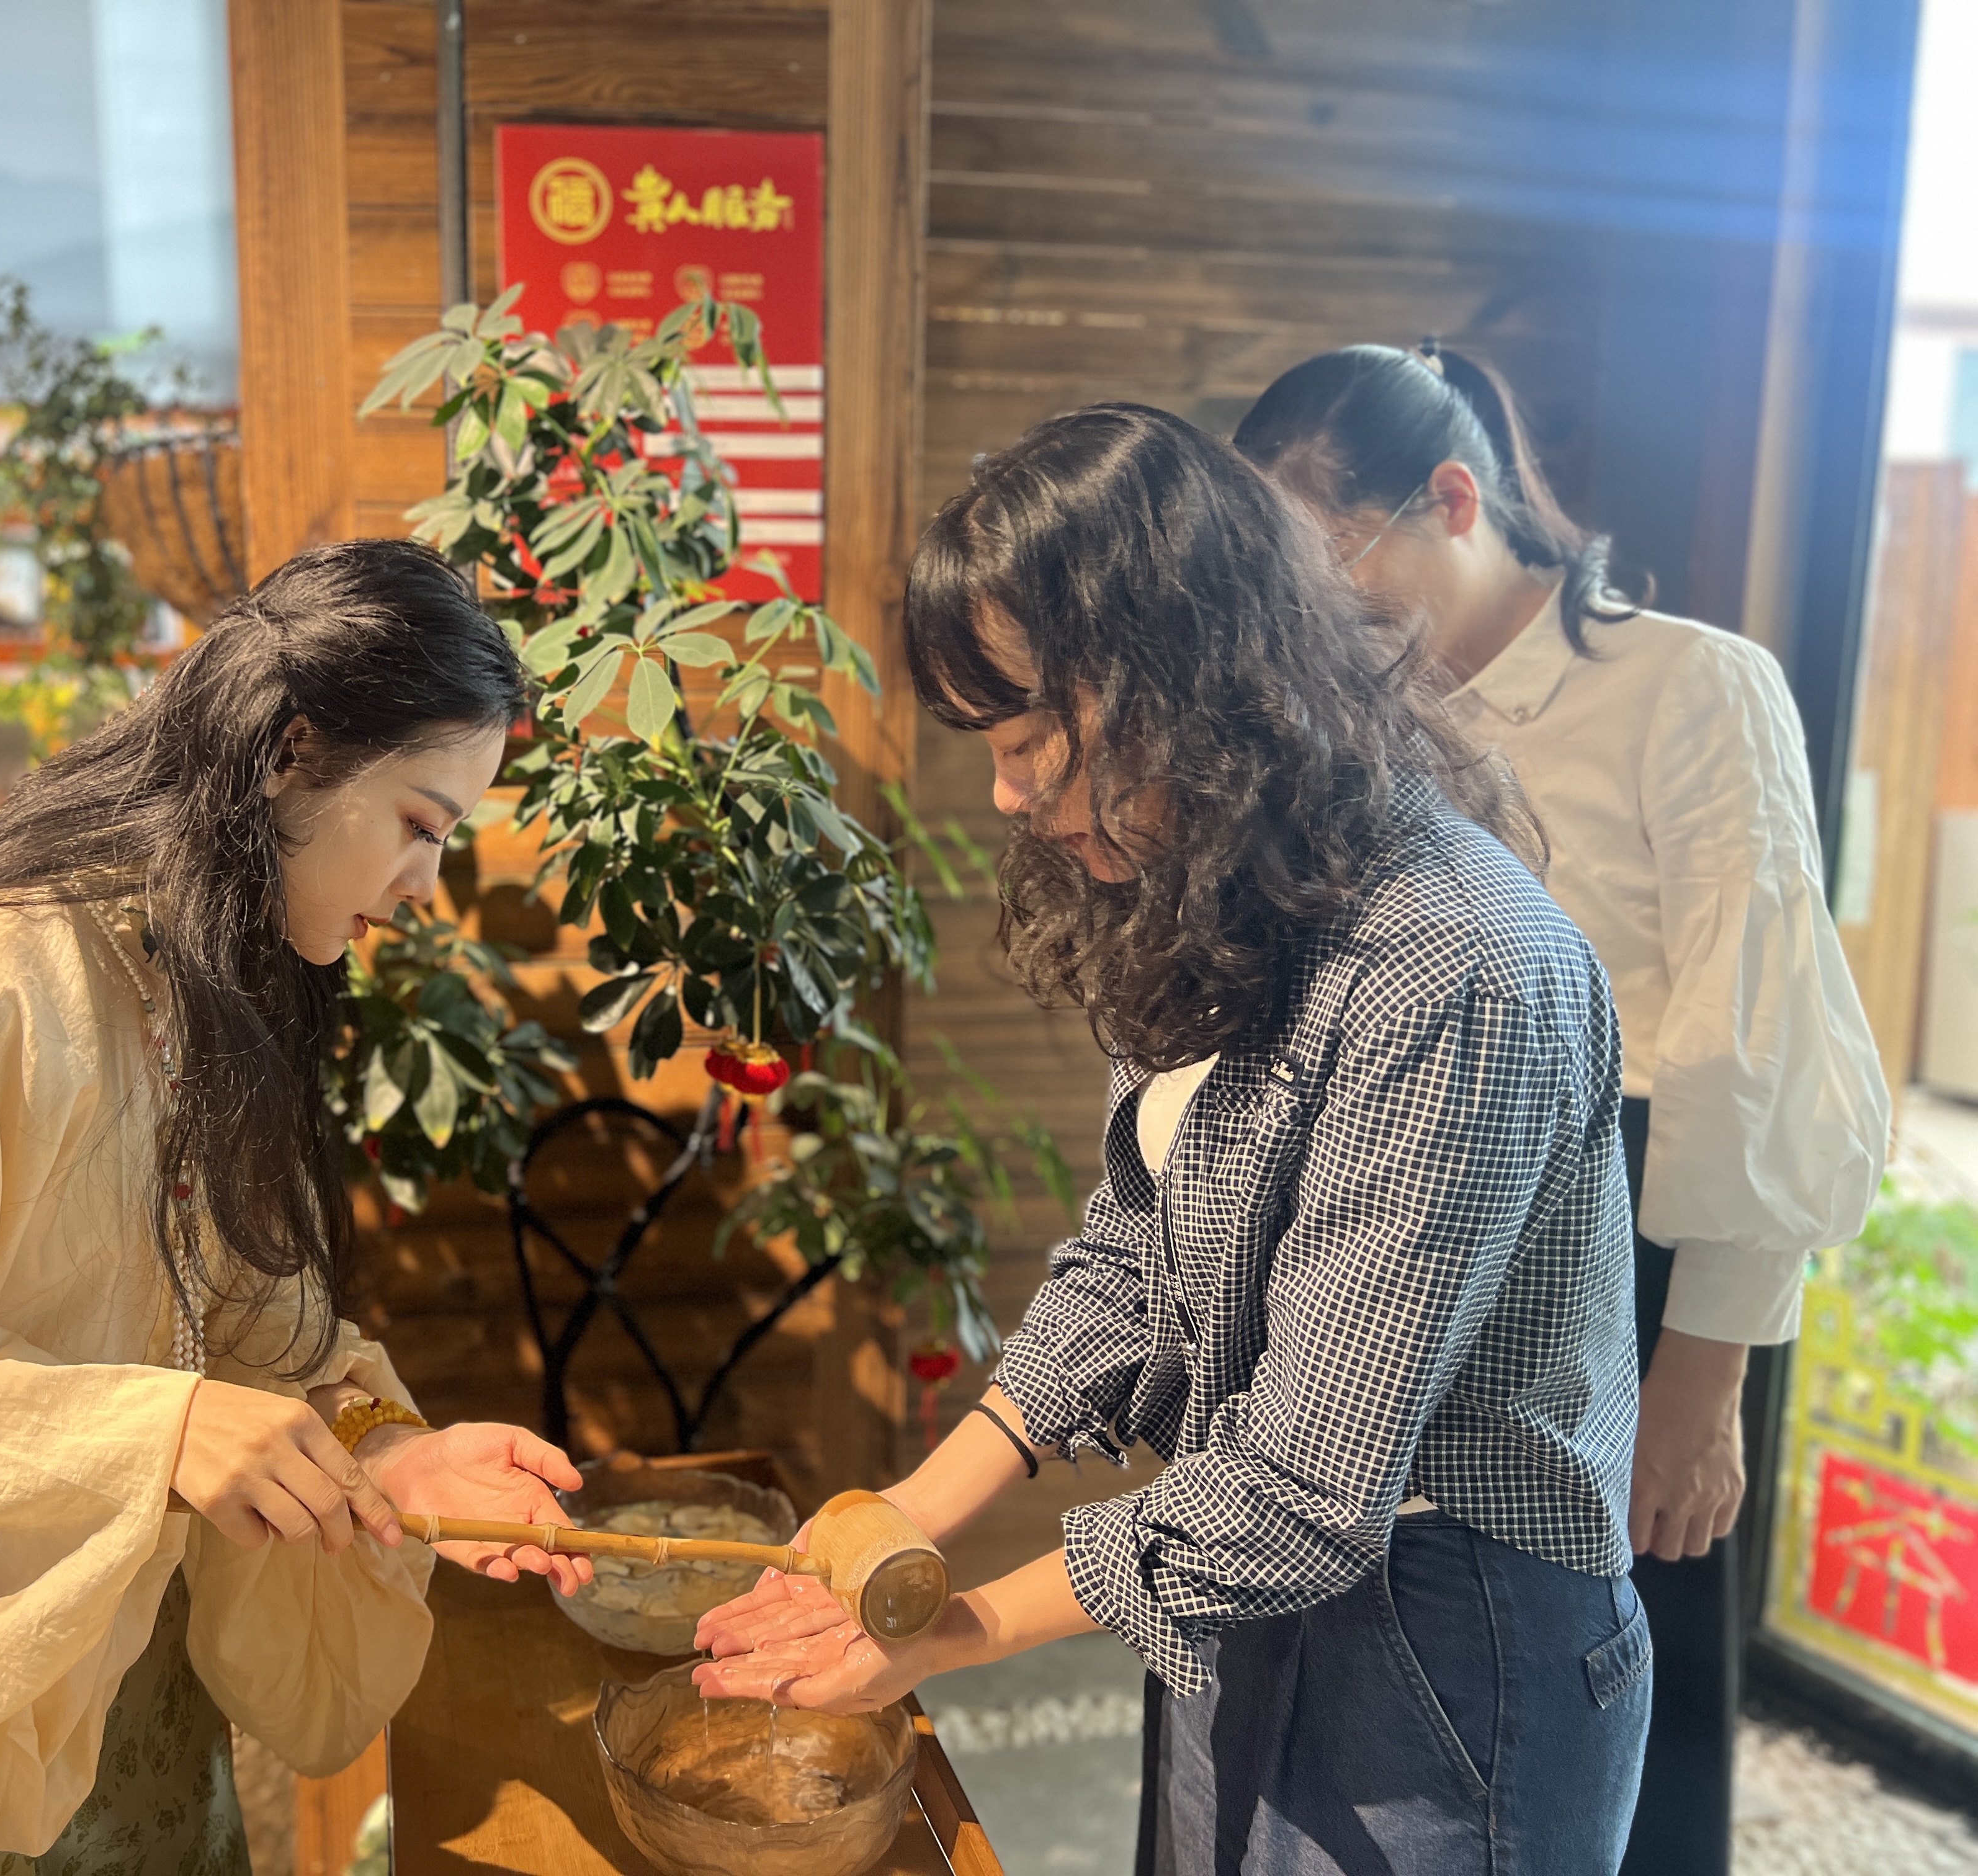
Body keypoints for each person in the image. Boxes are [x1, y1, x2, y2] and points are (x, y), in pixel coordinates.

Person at [694, 404, 1651, 1874]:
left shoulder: (1459, 963)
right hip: (1239, 1566)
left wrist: (951, 1629)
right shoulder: (1217, 888)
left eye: (1030, 739)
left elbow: (1312, 1484)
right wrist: (909, 1512)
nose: (1008, 795)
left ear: (1187, 682)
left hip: (1456, 1632)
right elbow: (1136, 1254)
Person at [0, 540, 594, 1874]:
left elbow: (249, 1343)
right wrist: (156, 1433)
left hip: (137, 1716)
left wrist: (390, 1460)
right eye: (420, 824)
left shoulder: (202, 990)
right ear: (290, 754)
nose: (424, 888)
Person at [1233, 342, 1888, 1876]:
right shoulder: (1356, 713)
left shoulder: (1691, 684)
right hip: (1413, 1227)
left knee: (1621, 1697)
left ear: (1455, 500)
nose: (1321, 616)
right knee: (1432, 1699)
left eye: (1336, 562)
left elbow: (1757, 1043)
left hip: (1639, 1244)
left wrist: (1705, 1379)